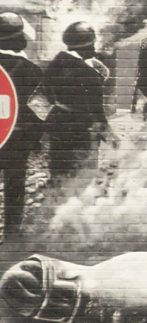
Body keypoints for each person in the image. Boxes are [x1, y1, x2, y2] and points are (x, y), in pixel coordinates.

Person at [42, 22, 112, 182]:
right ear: (85, 46)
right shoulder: (89, 73)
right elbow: (96, 110)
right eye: (92, 45)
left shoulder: (54, 65)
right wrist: (107, 132)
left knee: (59, 171)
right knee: (82, 174)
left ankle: (56, 194)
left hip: (57, 125)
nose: (94, 49)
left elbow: (44, 97)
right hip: (81, 129)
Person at [0, 13, 44, 236]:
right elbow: (41, 111)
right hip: (17, 140)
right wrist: (35, 139)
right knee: (14, 183)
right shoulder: (31, 70)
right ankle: (12, 231)